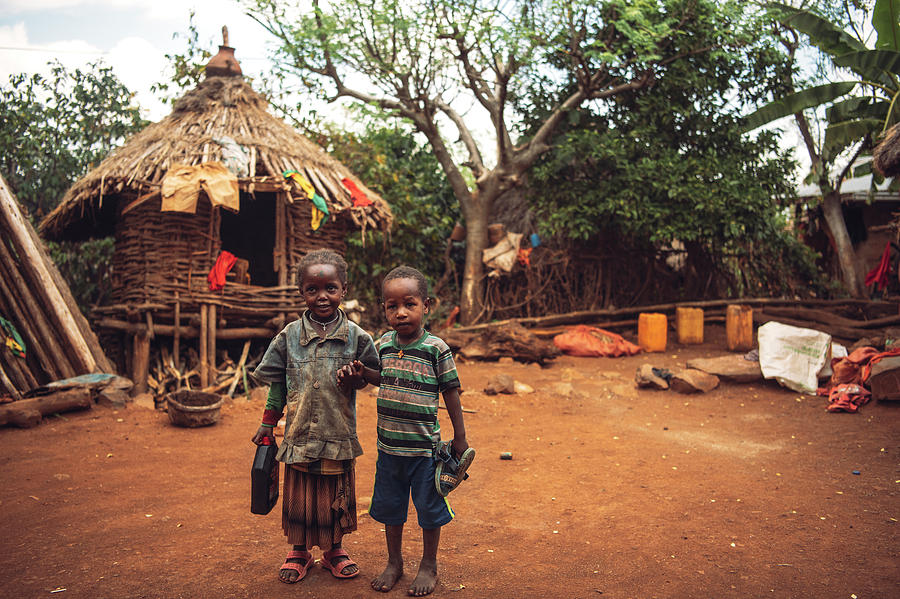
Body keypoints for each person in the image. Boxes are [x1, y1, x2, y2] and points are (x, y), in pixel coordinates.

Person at [250, 249, 379, 584]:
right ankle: (299, 549)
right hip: (299, 433)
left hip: (338, 431)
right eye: (312, 289)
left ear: (344, 289)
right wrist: (267, 423)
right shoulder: (289, 337)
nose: (322, 296)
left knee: (336, 492)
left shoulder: (357, 337)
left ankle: (335, 548)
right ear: (301, 292)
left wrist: (358, 377)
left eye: (330, 288)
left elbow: (374, 375)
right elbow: (277, 384)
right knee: (300, 493)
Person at [360, 265, 473, 596]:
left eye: (409, 304)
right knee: (390, 508)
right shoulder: (382, 344)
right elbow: (383, 378)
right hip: (389, 449)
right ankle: (394, 563)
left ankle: (428, 565)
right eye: (392, 306)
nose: (401, 313)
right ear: (384, 309)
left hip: (425, 452)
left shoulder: (435, 348)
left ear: (427, 305)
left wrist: (460, 438)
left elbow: (451, 391)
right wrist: (361, 373)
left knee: (429, 511)